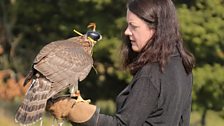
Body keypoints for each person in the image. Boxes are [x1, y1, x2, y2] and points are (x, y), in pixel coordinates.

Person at [46, 0, 195, 125]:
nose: (127, 32)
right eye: (127, 25)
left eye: (134, 26)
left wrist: (76, 112)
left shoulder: (151, 75)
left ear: (156, 29)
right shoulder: (181, 64)